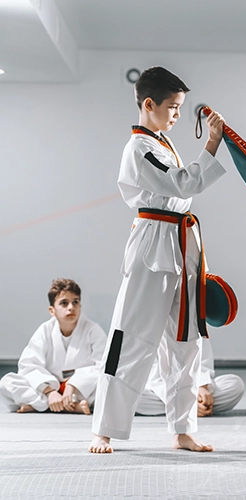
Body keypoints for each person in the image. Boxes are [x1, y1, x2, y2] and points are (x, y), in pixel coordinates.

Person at [89, 66, 227, 454]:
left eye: (181, 107)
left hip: (182, 244)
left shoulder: (162, 142)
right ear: (148, 104)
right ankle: (103, 428)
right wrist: (212, 143)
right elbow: (183, 183)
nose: (178, 115)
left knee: (187, 342)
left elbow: (183, 185)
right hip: (153, 246)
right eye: (173, 107)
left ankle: (182, 429)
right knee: (130, 337)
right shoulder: (139, 148)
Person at [0, 279, 106, 414]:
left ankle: (40, 406)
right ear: (52, 310)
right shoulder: (44, 330)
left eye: (75, 302)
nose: (71, 307)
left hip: (81, 391)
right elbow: (28, 365)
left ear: (80, 305)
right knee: (7, 382)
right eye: (64, 303)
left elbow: (102, 366)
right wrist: (50, 392)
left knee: (109, 387)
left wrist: (73, 384)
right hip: (50, 390)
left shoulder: (93, 330)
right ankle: (69, 406)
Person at [136, 337, 245, 417]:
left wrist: (202, 387)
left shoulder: (196, 317)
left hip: (195, 390)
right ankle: (186, 409)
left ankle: (183, 409)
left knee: (235, 384)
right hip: (161, 393)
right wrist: (181, 403)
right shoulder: (154, 324)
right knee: (130, 396)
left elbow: (203, 362)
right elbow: (155, 378)